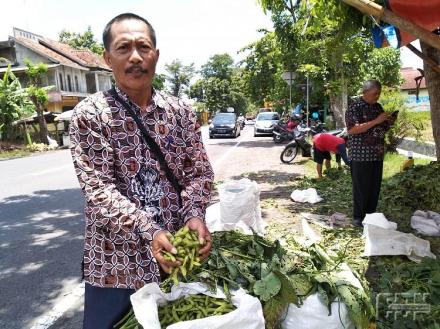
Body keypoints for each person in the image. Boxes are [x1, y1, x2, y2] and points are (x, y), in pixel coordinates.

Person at [69, 13, 214, 328]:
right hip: (115, 268)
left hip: (176, 259)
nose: (135, 57)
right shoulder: (91, 115)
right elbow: (99, 190)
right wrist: (150, 232)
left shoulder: (181, 112)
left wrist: (194, 216)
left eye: (143, 47)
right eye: (123, 48)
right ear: (108, 58)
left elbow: (198, 174)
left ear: (156, 55)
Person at [345, 80, 395, 227]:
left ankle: (370, 215)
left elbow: (382, 127)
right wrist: (376, 121)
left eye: (379, 93)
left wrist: (388, 121)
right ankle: (358, 217)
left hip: (377, 154)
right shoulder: (354, 107)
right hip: (360, 155)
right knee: (361, 187)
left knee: (374, 186)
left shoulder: (378, 107)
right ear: (365, 92)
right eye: (375, 93)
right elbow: (352, 129)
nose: (377, 96)